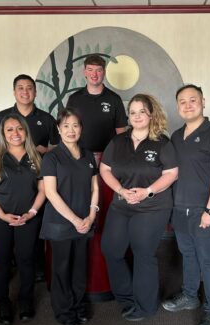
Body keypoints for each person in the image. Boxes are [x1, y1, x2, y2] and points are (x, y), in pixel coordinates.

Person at [100, 94, 178, 321]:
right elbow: (105, 169)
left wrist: (147, 191)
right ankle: (126, 297)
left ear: (151, 114)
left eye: (141, 111)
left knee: (143, 253)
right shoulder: (118, 141)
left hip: (152, 207)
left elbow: (172, 173)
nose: (136, 116)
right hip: (122, 204)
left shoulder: (162, 143)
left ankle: (146, 306)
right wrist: (121, 191)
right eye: (132, 112)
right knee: (112, 250)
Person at [161, 84, 210, 325]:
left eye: (193, 100)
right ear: (178, 106)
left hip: (203, 210)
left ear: (203, 101)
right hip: (180, 210)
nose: (188, 105)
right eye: (182, 101)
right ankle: (190, 295)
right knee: (188, 255)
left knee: (207, 261)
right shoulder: (176, 136)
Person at [0, 74, 60, 282]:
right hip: (6, 181)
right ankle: (8, 266)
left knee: (33, 232)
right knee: (3, 248)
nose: (25, 92)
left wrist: (40, 152)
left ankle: (35, 268)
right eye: (21, 88)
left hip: (36, 181)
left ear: (35, 92)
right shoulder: (1, 118)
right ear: (14, 92)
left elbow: (55, 152)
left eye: (29, 88)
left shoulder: (46, 119)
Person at [66, 54, 128, 300]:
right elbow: (67, 130)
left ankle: (109, 269)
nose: (94, 74)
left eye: (98, 70)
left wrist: (112, 163)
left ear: (104, 73)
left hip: (107, 163)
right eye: (90, 70)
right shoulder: (75, 98)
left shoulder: (113, 99)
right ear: (84, 73)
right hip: (79, 160)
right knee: (81, 207)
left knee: (105, 212)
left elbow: (122, 135)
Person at [0, 114, 45, 325]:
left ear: (26, 131)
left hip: (29, 218)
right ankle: (2, 303)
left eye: (19, 128)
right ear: (3, 133)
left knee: (27, 261)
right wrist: (2, 215)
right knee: (1, 262)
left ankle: (26, 301)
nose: (15, 133)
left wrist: (32, 213)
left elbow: (43, 190)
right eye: (9, 129)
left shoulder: (36, 156)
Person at [39, 108, 99, 325]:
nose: (71, 130)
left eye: (75, 125)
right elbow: (51, 193)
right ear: (58, 129)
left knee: (79, 267)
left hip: (85, 221)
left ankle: (78, 304)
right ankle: (64, 311)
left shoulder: (88, 154)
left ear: (81, 128)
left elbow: (95, 187)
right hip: (61, 223)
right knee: (62, 268)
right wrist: (75, 220)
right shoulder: (52, 157)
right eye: (66, 126)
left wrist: (91, 216)